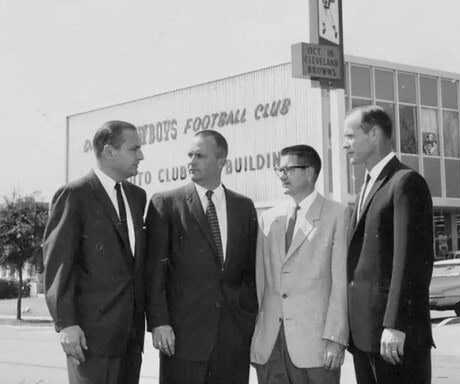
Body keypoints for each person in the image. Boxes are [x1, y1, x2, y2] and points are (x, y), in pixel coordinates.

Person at [145, 129, 258, 384]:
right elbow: (155, 272)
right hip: (183, 339)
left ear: (221, 161)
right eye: (190, 155)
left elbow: (250, 272)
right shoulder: (167, 204)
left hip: (232, 338)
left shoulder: (244, 207)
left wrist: (247, 321)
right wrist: (159, 322)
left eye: (200, 156)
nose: (191, 162)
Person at [43, 121, 147, 384]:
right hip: (90, 338)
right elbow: (58, 264)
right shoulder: (74, 195)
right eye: (134, 149)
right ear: (110, 151)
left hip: (130, 337)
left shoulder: (137, 196)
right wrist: (66, 323)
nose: (141, 156)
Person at [343, 106, 435, 384]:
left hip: (393, 337)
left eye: (350, 136)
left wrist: (395, 324)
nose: (344, 144)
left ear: (373, 135)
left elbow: (412, 262)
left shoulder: (405, 182)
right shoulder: (367, 186)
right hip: (366, 337)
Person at [250, 145, 350, 384]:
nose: (282, 175)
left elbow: (340, 283)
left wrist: (335, 338)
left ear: (310, 172)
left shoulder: (337, 214)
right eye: (280, 169)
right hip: (271, 344)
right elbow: (261, 282)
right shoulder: (269, 218)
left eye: (289, 169)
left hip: (316, 346)